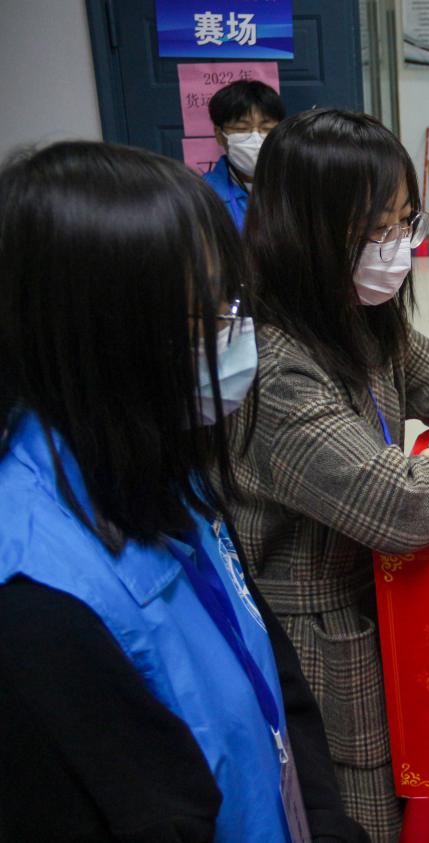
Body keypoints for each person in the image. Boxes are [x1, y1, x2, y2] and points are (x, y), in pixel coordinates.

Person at [0, 141, 366, 842]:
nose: (236, 333)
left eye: (232, 301)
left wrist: (323, 821)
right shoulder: (35, 604)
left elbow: (272, 676)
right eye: (208, 314)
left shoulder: (158, 457)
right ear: (101, 335)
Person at [222, 108, 429, 840]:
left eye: (406, 222)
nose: (398, 247)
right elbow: (400, 508)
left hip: (390, 598)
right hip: (322, 640)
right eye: (377, 229)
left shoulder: (360, 314)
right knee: (359, 816)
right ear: (306, 230)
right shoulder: (276, 367)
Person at [204, 79, 286, 230]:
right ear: (219, 135)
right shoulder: (203, 194)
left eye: (267, 128)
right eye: (241, 129)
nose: (256, 138)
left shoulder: (296, 187)